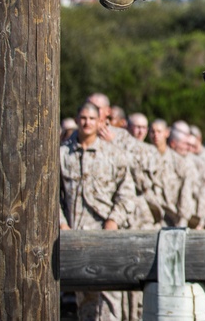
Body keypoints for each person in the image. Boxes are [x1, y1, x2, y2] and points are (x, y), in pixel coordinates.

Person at [59, 102, 137, 321]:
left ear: (100, 122)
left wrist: (114, 220)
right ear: (76, 120)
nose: (87, 123)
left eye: (92, 119)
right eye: (83, 118)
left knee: (110, 301)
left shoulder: (113, 154)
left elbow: (127, 193)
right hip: (76, 236)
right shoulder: (62, 154)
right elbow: (51, 196)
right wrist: (61, 223)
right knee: (84, 300)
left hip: (107, 237)